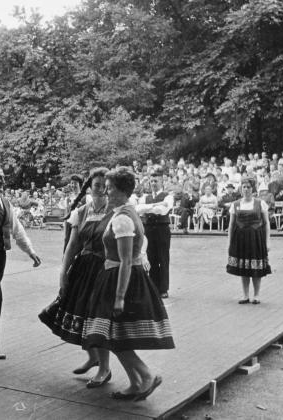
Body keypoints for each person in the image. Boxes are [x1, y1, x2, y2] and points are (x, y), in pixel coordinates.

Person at [83, 167, 174, 401]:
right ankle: (136, 383)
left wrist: (120, 296)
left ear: (122, 191)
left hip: (120, 279)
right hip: (117, 276)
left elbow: (125, 261)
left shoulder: (123, 218)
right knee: (116, 335)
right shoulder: (125, 212)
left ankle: (146, 375)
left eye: (111, 188)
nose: (106, 191)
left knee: (112, 335)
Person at [39, 168, 114, 388]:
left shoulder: (116, 211)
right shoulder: (81, 211)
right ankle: (93, 357)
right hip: (83, 268)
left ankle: (105, 368)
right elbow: (72, 245)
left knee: (98, 317)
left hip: (104, 269)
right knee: (82, 312)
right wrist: (63, 272)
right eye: (97, 185)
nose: (101, 190)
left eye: (105, 186)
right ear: (89, 187)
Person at [0, 166, 41, 359]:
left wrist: (30, 251)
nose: (3, 181)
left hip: (0, 256)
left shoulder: (5, 203)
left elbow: (17, 229)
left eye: (3, 178)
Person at [226, 176, 271, 304]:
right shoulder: (235, 204)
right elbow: (231, 225)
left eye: (248, 187)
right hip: (240, 240)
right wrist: (229, 243)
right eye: (244, 187)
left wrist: (268, 241)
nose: (246, 189)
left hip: (256, 239)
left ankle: (256, 295)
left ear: (253, 189)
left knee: (256, 267)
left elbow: (266, 223)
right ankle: (245, 295)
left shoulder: (260, 203)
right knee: (243, 267)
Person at [137, 169, 173, 298]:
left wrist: (149, 208)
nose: (153, 183)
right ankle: (153, 286)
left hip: (162, 228)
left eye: (156, 181)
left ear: (161, 181)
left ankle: (163, 288)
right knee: (150, 257)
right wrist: (155, 205)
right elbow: (139, 210)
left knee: (163, 258)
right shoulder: (145, 196)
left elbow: (162, 211)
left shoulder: (168, 196)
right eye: (151, 181)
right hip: (148, 229)